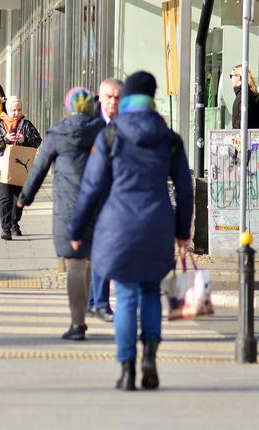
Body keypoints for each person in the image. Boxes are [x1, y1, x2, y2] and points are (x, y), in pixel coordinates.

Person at [69, 71, 193, 391]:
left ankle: (127, 369)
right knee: (151, 290)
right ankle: (150, 355)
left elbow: (92, 187)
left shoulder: (110, 136)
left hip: (118, 226)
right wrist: (182, 232)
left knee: (124, 295)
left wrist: (78, 227)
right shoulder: (170, 138)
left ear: (125, 99)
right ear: (153, 98)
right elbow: (184, 189)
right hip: (157, 227)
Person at [18, 87, 104, 340]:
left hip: (69, 206)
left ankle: (78, 323)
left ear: (67, 109)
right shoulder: (104, 131)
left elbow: (39, 168)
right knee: (89, 258)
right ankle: (87, 304)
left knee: (75, 263)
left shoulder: (58, 133)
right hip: (100, 204)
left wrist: (25, 197)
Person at [87, 78, 122, 323]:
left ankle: (95, 301)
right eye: (108, 96)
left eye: (117, 97)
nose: (112, 101)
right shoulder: (89, 124)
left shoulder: (126, 124)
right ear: (99, 97)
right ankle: (97, 302)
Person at [0, 96, 41, 240]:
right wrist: (5, 140)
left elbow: (38, 140)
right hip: (2, 168)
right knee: (5, 197)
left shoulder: (26, 125)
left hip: (20, 168)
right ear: (7, 110)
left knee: (18, 198)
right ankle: (6, 228)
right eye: (13, 110)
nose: (16, 112)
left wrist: (25, 139)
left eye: (19, 109)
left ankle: (14, 223)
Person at [230, 64, 259, 129]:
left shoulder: (242, 96)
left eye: (231, 76)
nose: (231, 79)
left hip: (244, 137)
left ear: (239, 77)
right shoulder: (252, 93)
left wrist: (237, 137)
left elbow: (239, 124)